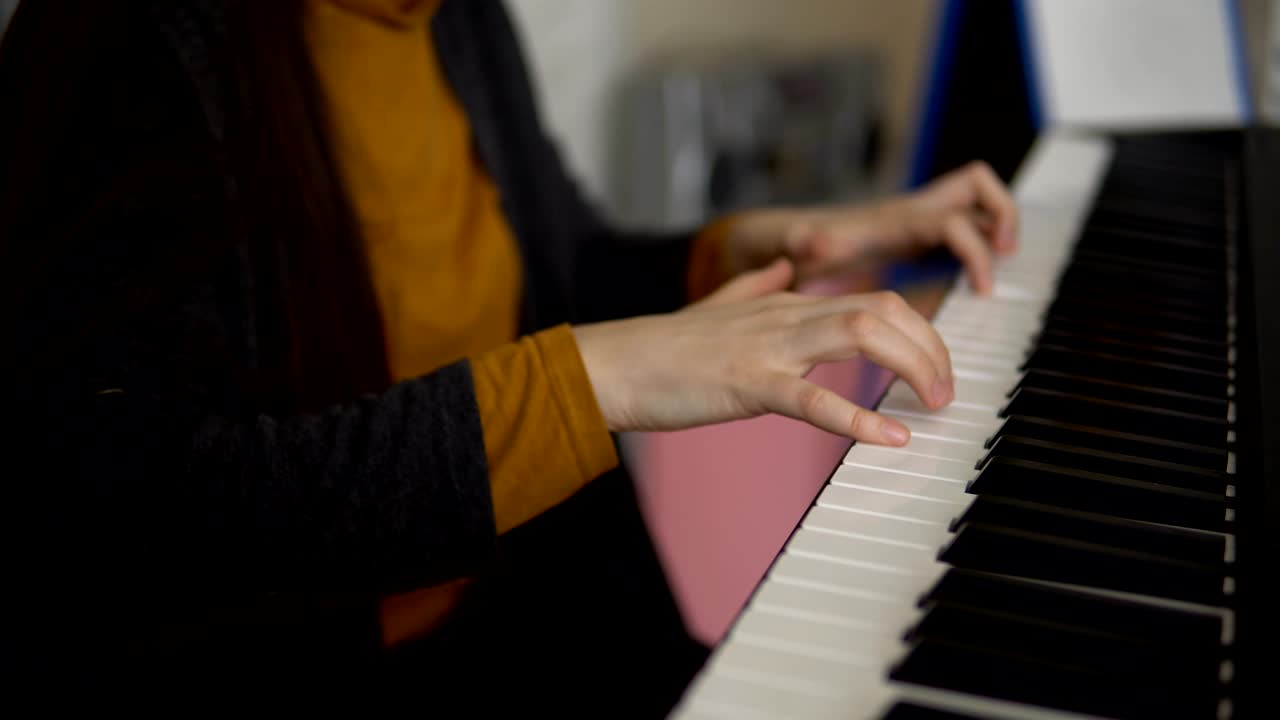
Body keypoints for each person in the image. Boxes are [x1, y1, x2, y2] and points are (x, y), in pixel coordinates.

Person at [0, 0, 1017, 714]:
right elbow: (133, 518)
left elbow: (555, 265)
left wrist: (763, 246)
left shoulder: (456, 17)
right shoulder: (132, 46)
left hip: (517, 599)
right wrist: (586, 378)